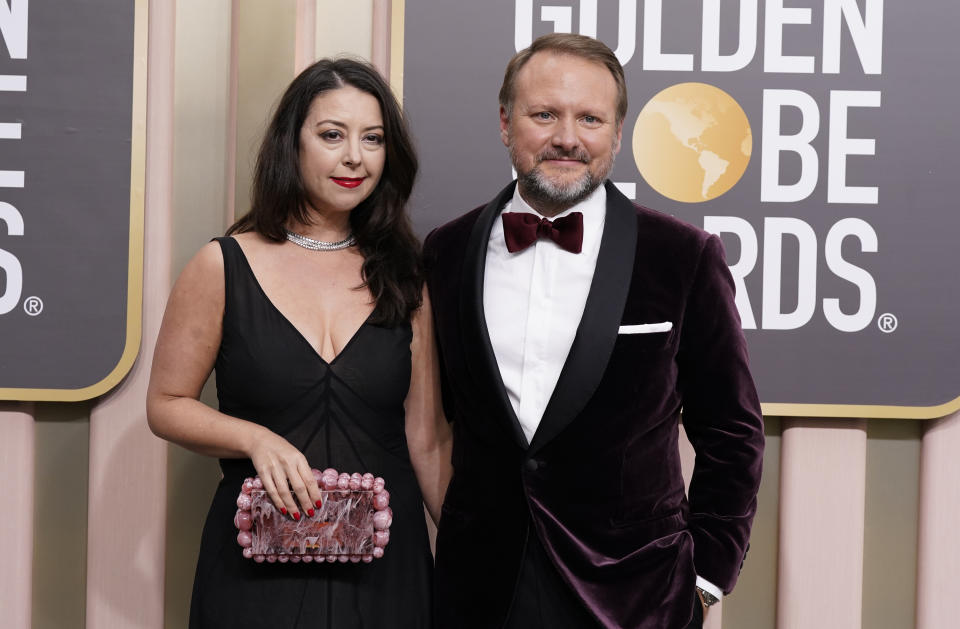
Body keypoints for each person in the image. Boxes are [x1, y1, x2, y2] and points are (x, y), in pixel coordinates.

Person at [422, 34, 764, 629]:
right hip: (480, 591)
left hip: (635, 594)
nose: (567, 137)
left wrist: (705, 580)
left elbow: (732, 432)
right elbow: (438, 420)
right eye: (544, 114)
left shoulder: (683, 256)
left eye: (590, 118)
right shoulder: (447, 252)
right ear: (505, 123)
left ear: (619, 133)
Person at [147, 58, 451, 629]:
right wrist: (255, 439)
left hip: (388, 574)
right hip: (257, 568)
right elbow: (165, 404)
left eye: (373, 139)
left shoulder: (407, 274)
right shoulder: (222, 264)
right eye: (332, 135)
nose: (354, 157)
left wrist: (466, 553)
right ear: (292, 143)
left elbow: (426, 439)